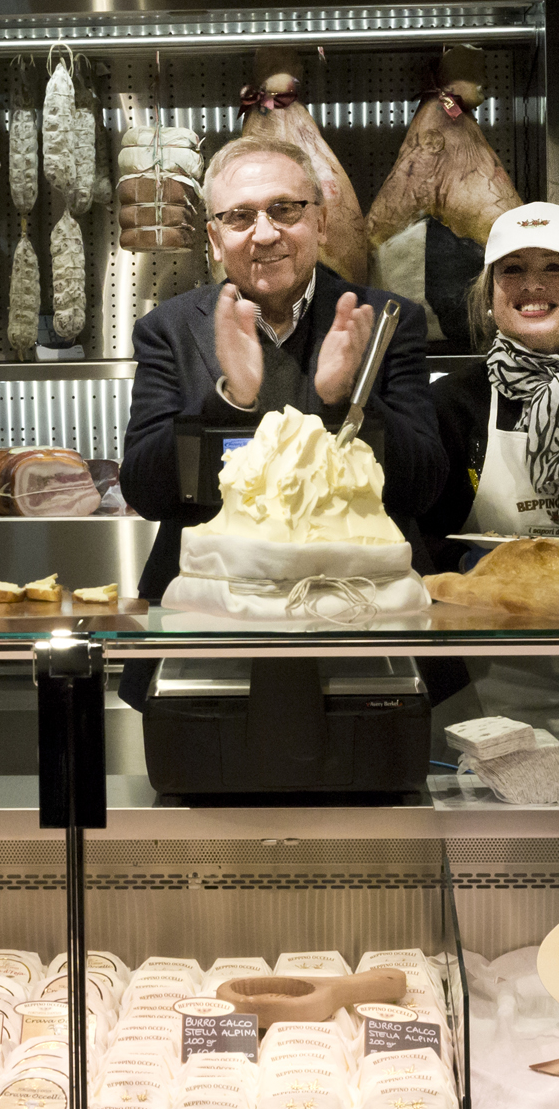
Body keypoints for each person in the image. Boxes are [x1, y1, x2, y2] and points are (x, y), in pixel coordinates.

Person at [117, 137, 444, 705]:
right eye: (239, 217)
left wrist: (348, 402)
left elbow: (422, 488)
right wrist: (229, 401)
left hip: (365, 627)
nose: (264, 233)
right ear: (216, 240)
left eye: (284, 210)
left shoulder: (385, 320)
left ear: (319, 224)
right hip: (211, 626)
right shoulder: (168, 329)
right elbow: (146, 490)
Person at [415, 203, 559, 747]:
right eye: (513, 269)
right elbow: (420, 545)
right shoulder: (450, 404)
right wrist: (478, 570)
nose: (533, 285)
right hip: (484, 682)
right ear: (489, 290)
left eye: (554, 267)